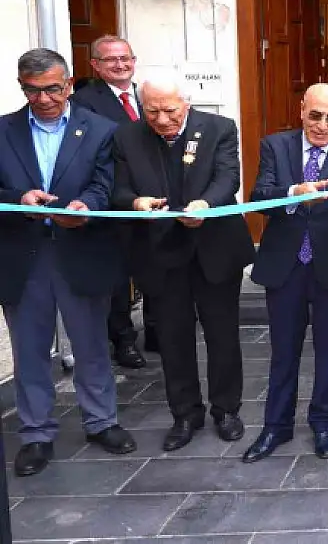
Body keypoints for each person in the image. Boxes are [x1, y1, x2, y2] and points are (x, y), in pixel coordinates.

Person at [0, 48, 137, 476]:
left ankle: (101, 422)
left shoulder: (99, 130)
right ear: (22, 87)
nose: (42, 99)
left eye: (52, 89)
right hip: (24, 256)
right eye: (32, 90)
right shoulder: (3, 131)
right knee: (30, 350)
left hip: (80, 249)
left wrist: (84, 206)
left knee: (91, 344)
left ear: (70, 85)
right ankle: (36, 434)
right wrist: (16, 200)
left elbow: (106, 182)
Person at [113, 74, 255, 452]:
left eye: (170, 110)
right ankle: (185, 414)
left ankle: (226, 410)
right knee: (172, 339)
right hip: (160, 253)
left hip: (214, 247)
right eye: (152, 111)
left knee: (222, 336)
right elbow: (119, 187)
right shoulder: (126, 136)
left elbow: (228, 177)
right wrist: (136, 203)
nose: (161, 120)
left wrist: (206, 205)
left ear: (186, 103)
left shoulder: (219, 128)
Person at [242, 83, 328, 462]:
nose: (322, 126)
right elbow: (260, 197)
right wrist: (295, 192)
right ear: (302, 111)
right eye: (315, 115)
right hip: (286, 265)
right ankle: (275, 427)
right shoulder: (275, 146)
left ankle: (324, 423)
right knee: (284, 351)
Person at [69, 34, 151, 368]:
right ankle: (123, 340)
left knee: (155, 265)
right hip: (114, 198)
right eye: (110, 60)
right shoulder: (84, 101)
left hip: (153, 199)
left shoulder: (147, 95)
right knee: (118, 276)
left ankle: (158, 331)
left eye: (125, 58)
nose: (120, 65)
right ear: (95, 66)